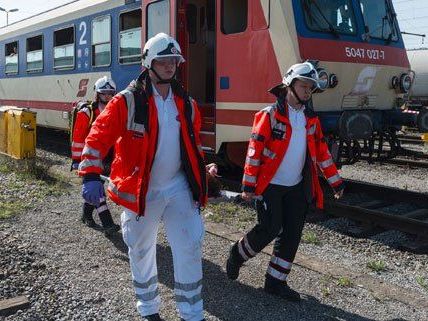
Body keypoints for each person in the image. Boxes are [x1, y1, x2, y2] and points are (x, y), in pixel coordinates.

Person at [78, 33, 208, 321]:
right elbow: (98, 136)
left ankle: (192, 313)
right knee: (140, 248)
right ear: (149, 62)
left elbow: (193, 144)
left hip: (178, 187)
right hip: (142, 189)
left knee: (189, 245)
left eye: (174, 60)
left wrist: (203, 169)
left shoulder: (186, 103)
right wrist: (89, 173)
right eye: (163, 60)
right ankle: (149, 310)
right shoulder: (127, 101)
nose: (170, 65)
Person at [226, 62, 345, 301]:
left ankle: (275, 282)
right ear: (289, 85)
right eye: (304, 86)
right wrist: (249, 185)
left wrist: (336, 182)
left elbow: (322, 153)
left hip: (296, 187)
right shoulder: (269, 115)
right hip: (270, 186)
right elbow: (254, 151)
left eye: (311, 88)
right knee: (269, 229)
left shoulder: (311, 120)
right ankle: (237, 254)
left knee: (292, 234)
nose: (308, 91)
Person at [70, 76, 120, 235]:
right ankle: (108, 224)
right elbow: (78, 139)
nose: (108, 96)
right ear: (97, 94)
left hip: (108, 158)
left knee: (95, 189)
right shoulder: (87, 112)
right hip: (89, 158)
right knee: (97, 191)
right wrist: (77, 161)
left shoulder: (117, 111)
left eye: (110, 93)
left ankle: (85, 215)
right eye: (104, 93)